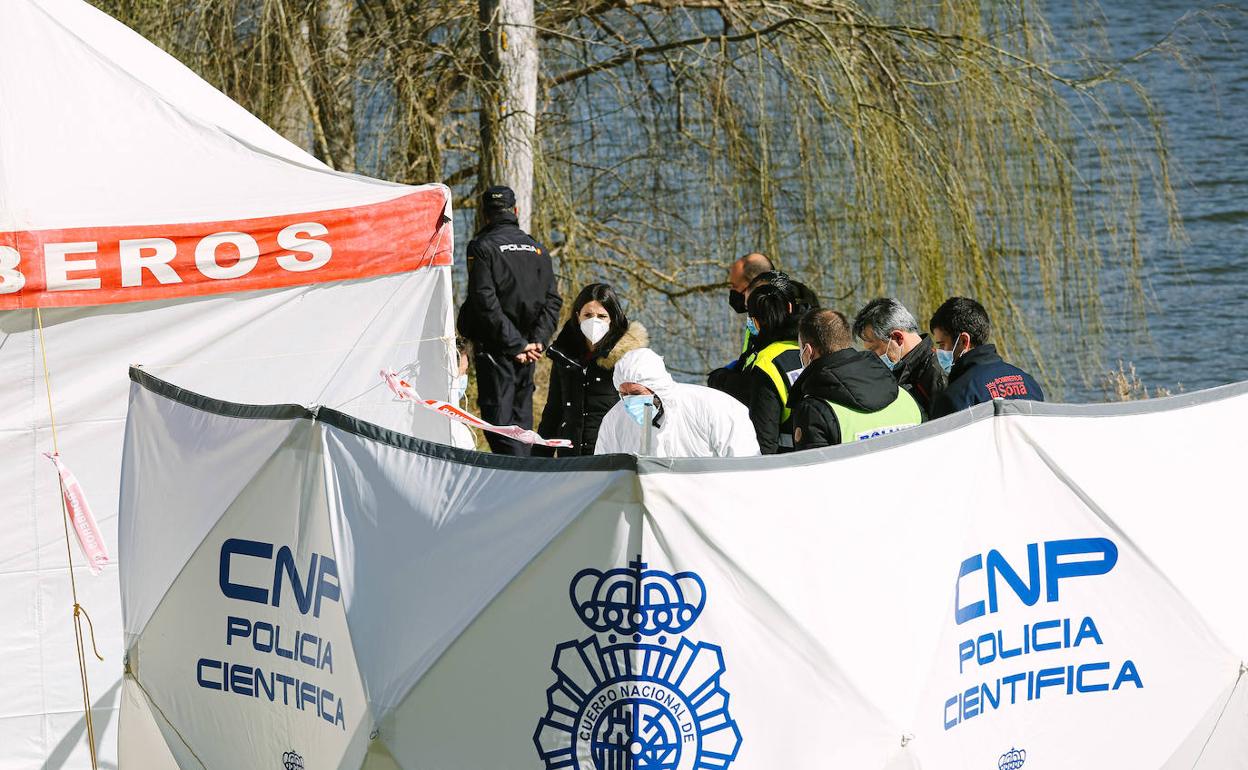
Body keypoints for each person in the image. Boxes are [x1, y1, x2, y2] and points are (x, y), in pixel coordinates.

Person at [456, 185, 561, 455]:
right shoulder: (539, 250)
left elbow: (484, 301)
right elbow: (553, 301)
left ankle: (521, 484)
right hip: (528, 352)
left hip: (499, 350)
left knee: (500, 426)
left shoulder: (482, 247)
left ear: (485, 215)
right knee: (522, 425)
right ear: (515, 211)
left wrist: (516, 345)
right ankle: (527, 481)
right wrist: (536, 342)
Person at [535, 283, 649, 457]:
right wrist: (537, 461)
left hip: (612, 459)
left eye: (602, 316)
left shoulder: (630, 358)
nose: (594, 321)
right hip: (570, 459)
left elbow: (644, 417)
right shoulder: (564, 355)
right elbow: (553, 411)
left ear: (613, 318)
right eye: (588, 315)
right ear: (577, 316)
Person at [790, 309, 923, 450]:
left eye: (801, 350)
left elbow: (813, 468)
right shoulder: (906, 396)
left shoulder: (813, 411)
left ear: (808, 351)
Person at [596, 348, 760, 457]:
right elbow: (604, 476)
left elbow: (744, 469)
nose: (629, 401)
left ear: (656, 388)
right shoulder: (614, 421)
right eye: (623, 394)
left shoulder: (716, 408)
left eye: (636, 393)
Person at [927, 297, 1044, 419]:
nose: (937, 351)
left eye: (942, 344)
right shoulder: (1030, 383)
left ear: (963, 341)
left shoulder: (954, 397)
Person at [852, 298, 947, 416]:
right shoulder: (900, 372)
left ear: (898, 337)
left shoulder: (936, 373)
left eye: (873, 349)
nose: (872, 357)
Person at [744, 284, 804, 453]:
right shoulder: (813, 345)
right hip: (832, 452)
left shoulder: (767, 362)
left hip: (791, 460)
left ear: (755, 322)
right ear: (791, 308)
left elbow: (765, 439)